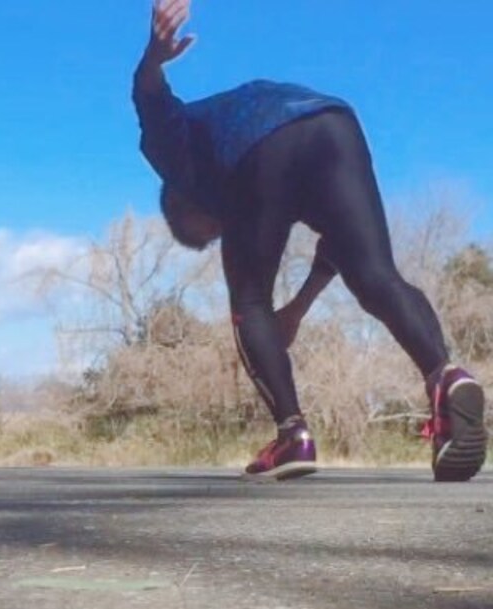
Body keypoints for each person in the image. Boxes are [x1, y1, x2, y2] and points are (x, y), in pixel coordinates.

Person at [132, 0, 487, 481]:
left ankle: (292, 434)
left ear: (182, 201)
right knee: (377, 276)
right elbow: (336, 249)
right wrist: (298, 308)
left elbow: (151, 104)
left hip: (259, 143)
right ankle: (446, 376)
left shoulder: (179, 161)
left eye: (212, 227)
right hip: (333, 124)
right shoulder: (269, 187)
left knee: (248, 301)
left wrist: (153, 58)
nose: (226, 231)